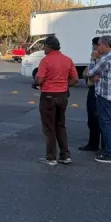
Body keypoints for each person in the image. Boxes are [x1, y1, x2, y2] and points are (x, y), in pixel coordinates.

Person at [33, 35, 78, 166]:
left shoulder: (45, 60)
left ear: (49, 46)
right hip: (62, 95)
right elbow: (75, 79)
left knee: (49, 127)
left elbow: (40, 79)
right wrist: (64, 85)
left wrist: (35, 83)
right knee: (60, 125)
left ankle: (51, 157)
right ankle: (65, 155)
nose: (43, 48)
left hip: (48, 95)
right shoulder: (67, 60)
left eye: (44, 46)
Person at [86, 35, 111, 164]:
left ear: (105, 45)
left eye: (99, 45)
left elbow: (90, 72)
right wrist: (99, 75)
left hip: (105, 95)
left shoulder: (104, 59)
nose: (97, 48)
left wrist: (93, 59)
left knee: (105, 124)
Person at [79, 36, 103, 152]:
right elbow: (86, 72)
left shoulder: (99, 58)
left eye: (94, 46)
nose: (93, 49)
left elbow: (92, 74)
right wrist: (87, 73)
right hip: (92, 88)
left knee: (96, 117)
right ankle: (92, 143)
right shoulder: (94, 58)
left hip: (97, 89)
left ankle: (99, 146)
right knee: (91, 119)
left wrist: (88, 72)